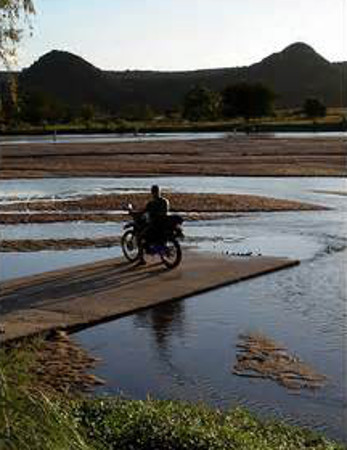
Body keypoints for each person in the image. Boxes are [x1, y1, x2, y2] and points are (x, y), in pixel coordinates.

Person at [138, 185, 169, 264]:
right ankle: (161, 253)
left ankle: (141, 259)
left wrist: (135, 214)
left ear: (152, 192)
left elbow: (144, 212)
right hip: (164, 223)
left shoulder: (152, 203)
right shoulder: (165, 201)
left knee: (140, 237)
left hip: (154, 225)